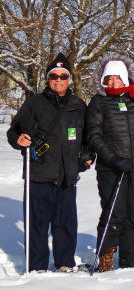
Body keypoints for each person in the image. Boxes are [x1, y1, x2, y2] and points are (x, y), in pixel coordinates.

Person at [7, 53, 93, 273]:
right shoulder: (35, 103)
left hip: (67, 175)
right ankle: (37, 267)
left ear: (69, 79)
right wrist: (18, 139)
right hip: (39, 173)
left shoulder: (78, 105)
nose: (58, 79)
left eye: (62, 76)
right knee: (37, 223)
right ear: (48, 78)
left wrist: (88, 156)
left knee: (65, 223)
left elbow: (89, 138)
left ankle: (64, 263)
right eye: (53, 75)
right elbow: (14, 130)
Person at [86, 55, 134, 272]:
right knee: (112, 214)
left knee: (133, 214)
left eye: (118, 78)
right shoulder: (99, 102)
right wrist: (114, 159)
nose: (114, 82)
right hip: (111, 169)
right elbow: (94, 135)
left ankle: (130, 262)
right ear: (104, 80)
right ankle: (106, 258)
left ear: (126, 78)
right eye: (110, 78)